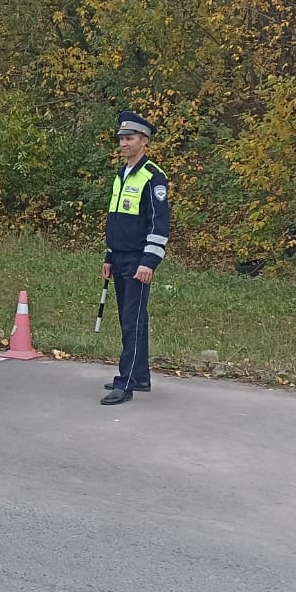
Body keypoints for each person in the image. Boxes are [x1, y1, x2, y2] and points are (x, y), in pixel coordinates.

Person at [100, 110, 170, 405]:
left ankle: (125, 383)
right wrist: (108, 255)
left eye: (129, 138)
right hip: (120, 257)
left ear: (144, 140)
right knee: (133, 319)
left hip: (139, 260)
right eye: (121, 139)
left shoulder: (153, 177)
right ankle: (140, 376)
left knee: (132, 321)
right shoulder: (122, 174)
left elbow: (159, 224)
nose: (123, 144)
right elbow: (116, 220)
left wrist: (149, 262)